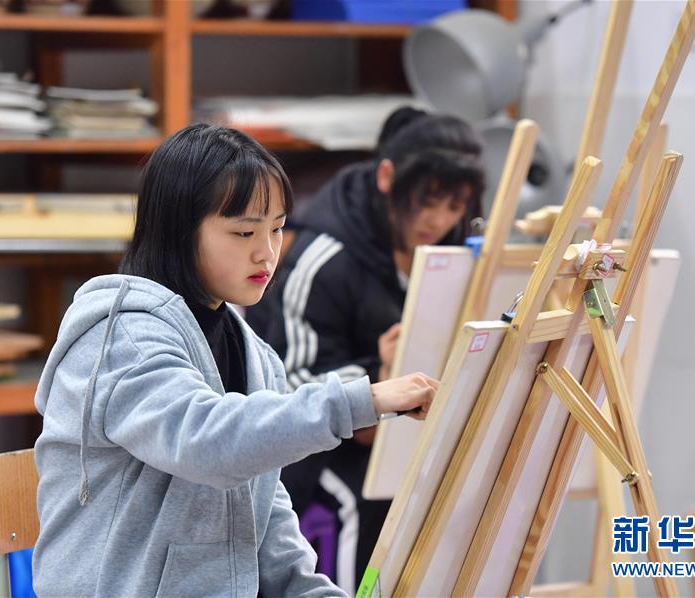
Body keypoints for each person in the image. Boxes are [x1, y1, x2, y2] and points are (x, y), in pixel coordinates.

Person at [31, 124, 439, 597]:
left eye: (278, 228)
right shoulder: (122, 336)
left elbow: (270, 537)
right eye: (244, 231)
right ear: (178, 230)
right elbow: (206, 440)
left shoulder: (256, 357)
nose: (266, 252)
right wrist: (362, 400)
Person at [246, 107, 486, 593]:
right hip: (318, 456)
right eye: (427, 201)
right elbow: (292, 389)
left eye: (454, 206)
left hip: (411, 438)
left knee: (482, 497)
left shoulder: (462, 251)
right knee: (366, 502)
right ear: (386, 178)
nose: (439, 220)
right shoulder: (325, 259)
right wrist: (378, 375)